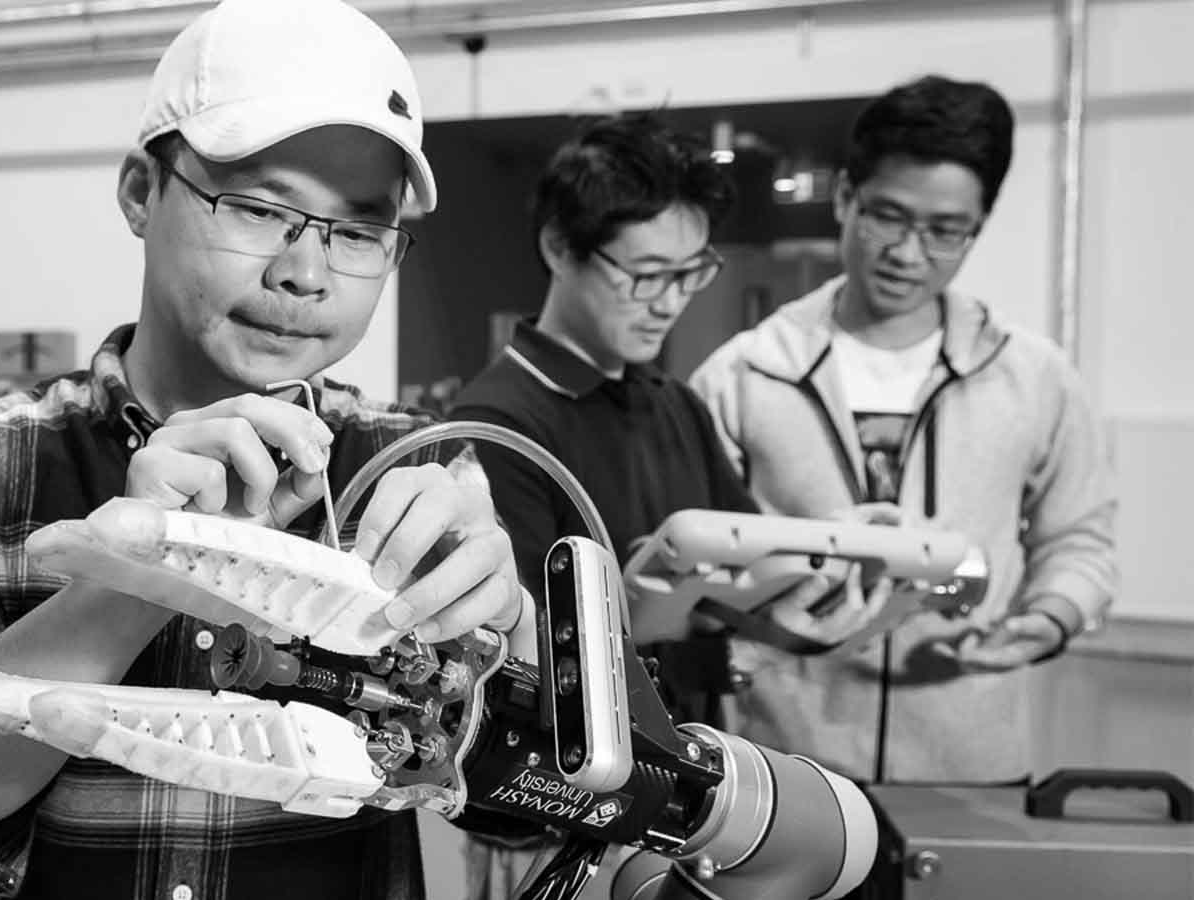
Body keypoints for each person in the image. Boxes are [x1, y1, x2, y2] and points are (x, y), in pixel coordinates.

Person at [0, 2, 529, 898]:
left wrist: (514, 634)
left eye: (356, 231)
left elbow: (517, 807)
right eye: (261, 207)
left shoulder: (411, 470)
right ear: (140, 194)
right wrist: (139, 573)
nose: (305, 273)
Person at [689, 75, 1117, 786]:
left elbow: (1079, 538)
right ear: (845, 197)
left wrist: (1052, 615)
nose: (910, 253)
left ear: (977, 227)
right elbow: (702, 571)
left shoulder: (1032, 378)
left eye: (946, 232)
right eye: (888, 216)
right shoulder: (747, 374)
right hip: (789, 765)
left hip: (970, 759)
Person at [445, 111, 779, 900]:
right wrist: (664, 627)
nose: (669, 302)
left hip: (677, 813)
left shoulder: (677, 408)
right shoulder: (499, 428)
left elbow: (746, 575)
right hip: (548, 827)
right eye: (645, 273)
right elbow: (506, 674)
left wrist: (825, 561)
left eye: (691, 272)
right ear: (560, 248)